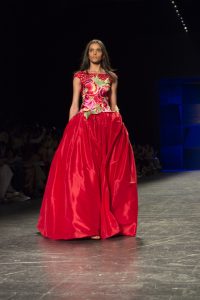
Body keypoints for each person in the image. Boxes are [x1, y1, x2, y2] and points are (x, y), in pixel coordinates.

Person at [36, 39, 138, 240]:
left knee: (105, 172)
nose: (94, 53)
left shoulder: (111, 77)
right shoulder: (79, 76)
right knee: (88, 173)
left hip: (108, 125)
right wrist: (68, 131)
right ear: (87, 54)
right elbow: (74, 104)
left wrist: (122, 125)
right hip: (85, 124)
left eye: (98, 50)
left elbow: (114, 104)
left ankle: (102, 222)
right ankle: (89, 223)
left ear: (103, 54)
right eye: (91, 50)